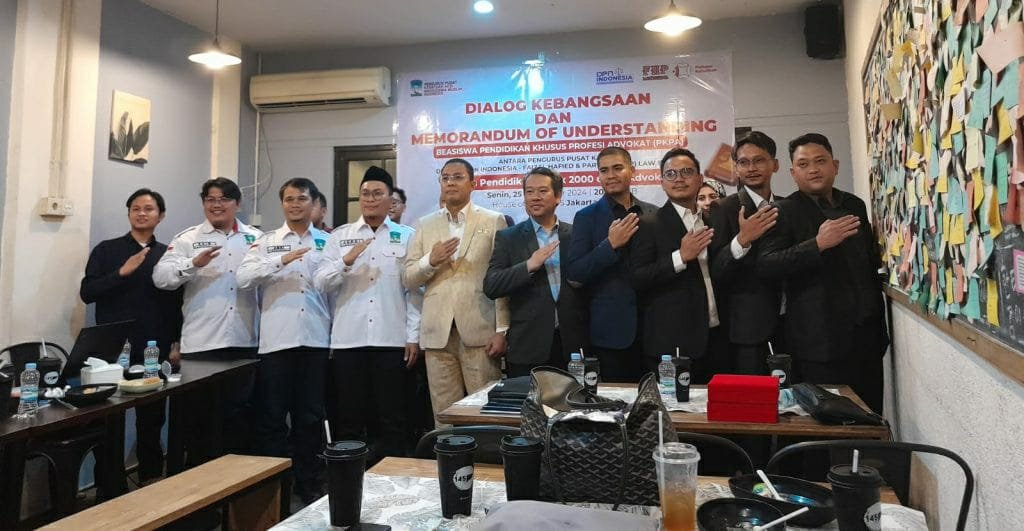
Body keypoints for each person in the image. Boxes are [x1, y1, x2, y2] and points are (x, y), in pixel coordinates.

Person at [758, 133, 888, 413]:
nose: (813, 170)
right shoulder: (782, 211)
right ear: (793, 173)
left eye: (820, 161)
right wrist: (816, 244)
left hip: (866, 336)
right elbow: (767, 264)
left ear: (835, 165)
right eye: (803, 164)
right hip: (818, 342)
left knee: (870, 415)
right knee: (825, 421)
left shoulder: (854, 205)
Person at [153, 177, 262, 465]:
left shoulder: (255, 238)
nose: (217, 205)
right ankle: (199, 481)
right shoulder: (187, 239)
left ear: (237, 204)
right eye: (210, 199)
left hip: (244, 340)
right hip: (201, 344)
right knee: (199, 420)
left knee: (239, 417)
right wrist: (192, 264)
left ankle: (237, 479)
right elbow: (161, 278)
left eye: (224, 199)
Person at [314, 166, 421, 459]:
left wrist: (413, 337)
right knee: (349, 417)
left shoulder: (408, 236)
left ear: (390, 200)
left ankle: (394, 475)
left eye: (377, 194)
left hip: (392, 340)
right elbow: (320, 283)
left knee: (393, 418)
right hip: (349, 341)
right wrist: (345, 262)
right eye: (365, 194)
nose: (370, 199)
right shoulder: (340, 237)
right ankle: (349, 477)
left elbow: (414, 291)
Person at [236, 177, 332, 503]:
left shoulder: (327, 242)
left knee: (310, 418)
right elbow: (243, 278)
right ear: (282, 204)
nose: (294, 204)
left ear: (314, 203)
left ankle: (309, 482)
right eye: (289, 199)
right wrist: (281, 261)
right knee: (272, 418)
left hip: (316, 341)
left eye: (301, 198)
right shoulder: (266, 242)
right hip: (277, 343)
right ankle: (275, 487)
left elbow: (335, 292)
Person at [81, 188, 182, 484]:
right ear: (128, 213)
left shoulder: (169, 255)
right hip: (112, 350)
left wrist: (177, 343)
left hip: (154, 347)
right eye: (136, 208)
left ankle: (151, 480)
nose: (141, 213)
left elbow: (177, 303)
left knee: (152, 418)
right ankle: (109, 487)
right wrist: (121, 273)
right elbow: (87, 292)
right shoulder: (106, 250)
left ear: (161, 216)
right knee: (109, 418)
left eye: (149, 209)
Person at [403, 158, 509, 426]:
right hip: (437, 333)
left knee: (485, 412)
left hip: (480, 330)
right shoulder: (424, 224)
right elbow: (409, 278)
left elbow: (501, 279)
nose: (450, 182)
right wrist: (430, 260)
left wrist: (502, 329)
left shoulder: (493, 220)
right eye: (445, 177)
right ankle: (447, 455)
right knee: (444, 415)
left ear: (473, 183)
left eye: (458, 177)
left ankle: (486, 455)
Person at [631, 148, 726, 382]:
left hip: (717, 334)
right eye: (671, 174)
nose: (679, 179)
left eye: (686, 172)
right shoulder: (648, 224)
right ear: (662, 182)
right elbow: (637, 277)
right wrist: (680, 257)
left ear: (700, 179)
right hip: (672, 340)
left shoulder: (713, 220)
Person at [484, 167, 588, 377]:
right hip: (528, 345)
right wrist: (528, 266)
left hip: (572, 345)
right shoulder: (509, 237)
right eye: (529, 192)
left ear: (558, 196)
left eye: (542, 191)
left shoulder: (576, 234)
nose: (535, 197)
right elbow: (491, 285)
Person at [566, 146, 657, 381]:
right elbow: (575, 273)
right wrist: (610, 245)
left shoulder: (653, 213)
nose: (611, 175)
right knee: (614, 400)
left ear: (632, 171)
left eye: (618, 168)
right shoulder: (586, 217)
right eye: (604, 170)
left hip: (654, 329)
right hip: (610, 333)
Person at [709, 131, 783, 375]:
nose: (751, 168)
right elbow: (716, 270)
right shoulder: (723, 208)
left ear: (775, 164)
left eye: (759, 160)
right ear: (736, 169)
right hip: (748, 329)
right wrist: (742, 240)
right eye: (743, 162)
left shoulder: (789, 206)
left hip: (794, 325)